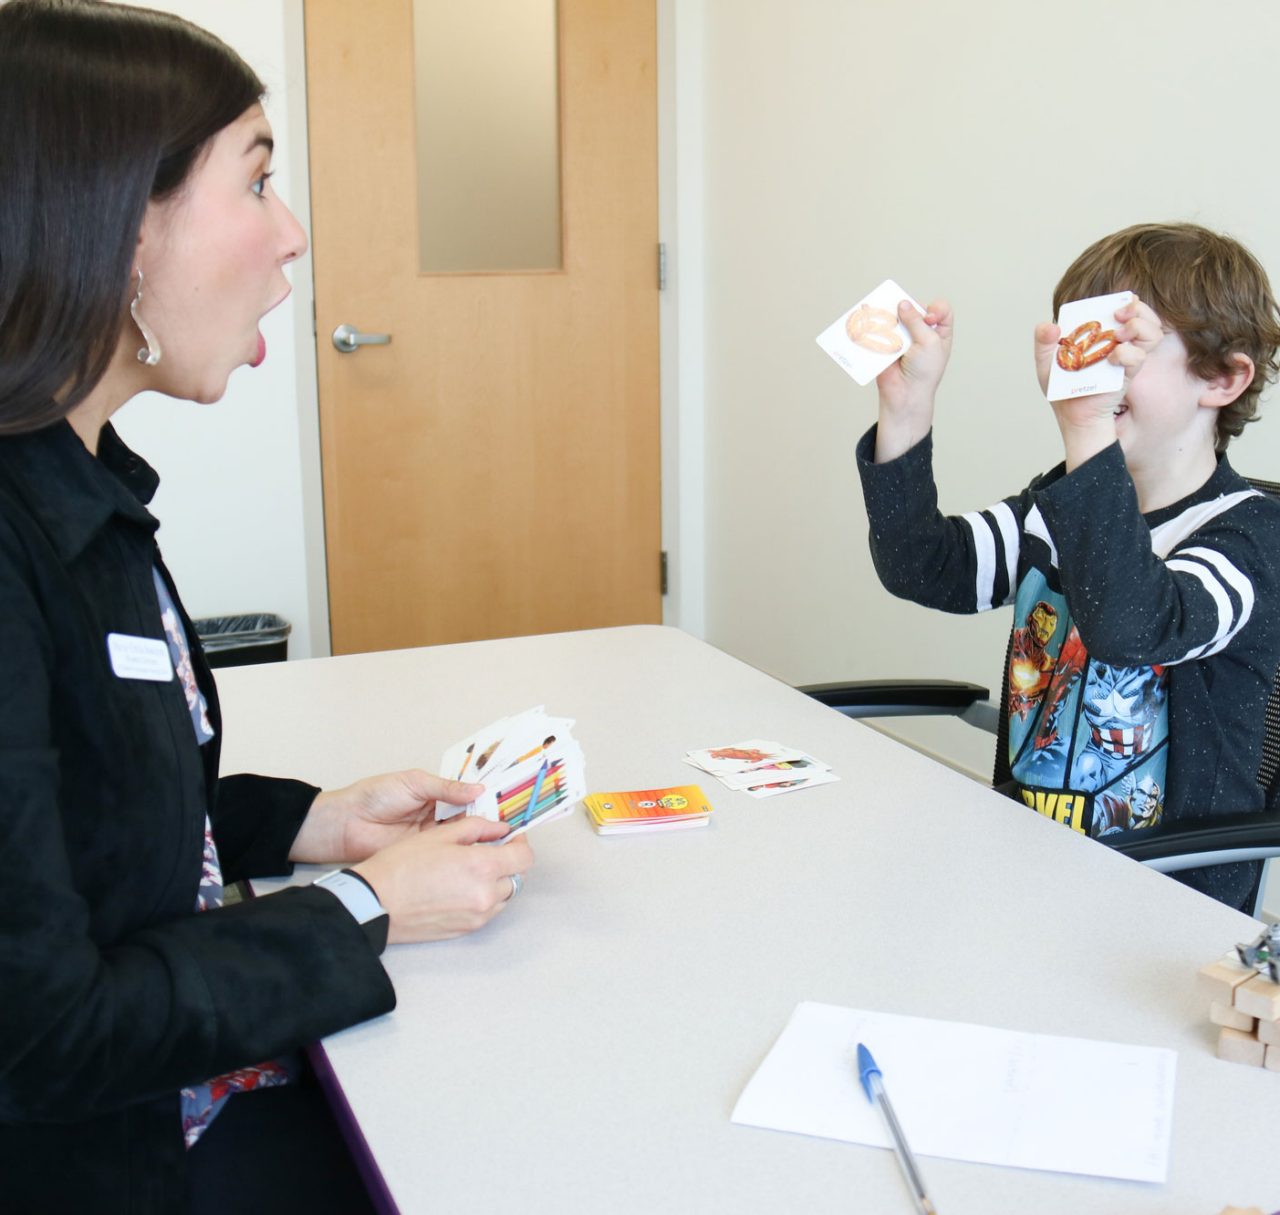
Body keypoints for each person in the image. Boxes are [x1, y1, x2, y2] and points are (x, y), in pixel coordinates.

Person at [0, 2, 534, 1210]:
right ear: (117, 224)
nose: (290, 237)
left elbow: (81, 827)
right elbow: (42, 1036)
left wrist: (309, 826)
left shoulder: (82, 493)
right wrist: (364, 911)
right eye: (256, 184)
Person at [855, 222, 1280, 911]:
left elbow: (1134, 625)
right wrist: (907, 414)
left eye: (1125, 353)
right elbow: (921, 564)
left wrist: (1087, 426)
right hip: (1032, 872)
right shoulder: (1058, 505)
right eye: (1084, 348)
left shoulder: (1253, 539)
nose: (1094, 374)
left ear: (1224, 378)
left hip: (1166, 905)